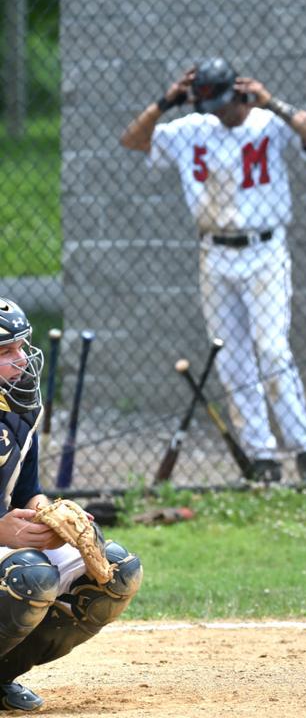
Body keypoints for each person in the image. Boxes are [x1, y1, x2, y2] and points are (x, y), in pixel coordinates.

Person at [120, 58, 306, 485]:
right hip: (214, 254)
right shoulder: (192, 127)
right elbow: (133, 140)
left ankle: (304, 451)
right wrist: (166, 102)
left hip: (265, 251)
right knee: (233, 360)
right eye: (206, 102)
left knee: (272, 349)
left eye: (222, 101)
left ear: (239, 91)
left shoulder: (267, 122)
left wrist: (274, 103)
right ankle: (263, 456)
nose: (216, 110)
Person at [0, 298, 143, 711]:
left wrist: (50, 514)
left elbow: (28, 489)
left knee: (113, 572)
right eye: (6, 352)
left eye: (22, 347)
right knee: (30, 577)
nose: (22, 360)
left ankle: (1, 677)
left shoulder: (17, 408)